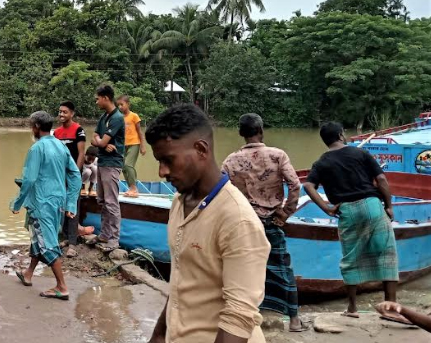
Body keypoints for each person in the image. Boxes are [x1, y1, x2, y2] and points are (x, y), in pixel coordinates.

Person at [146, 104, 270, 343]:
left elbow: (238, 320)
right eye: (159, 161)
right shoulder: (179, 203)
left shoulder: (237, 220)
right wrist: (159, 335)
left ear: (201, 150)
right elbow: (181, 281)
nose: (162, 171)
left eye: (168, 160)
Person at [303, 122, 404, 323]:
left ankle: (352, 308)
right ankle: (390, 307)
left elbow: (307, 185)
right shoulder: (361, 154)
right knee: (386, 254)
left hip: (347, 210)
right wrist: (389, 206)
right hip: (372, 205)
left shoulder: (321, 163)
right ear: (341, 135)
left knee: (350, 257)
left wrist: (327, 208)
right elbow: (382, 180)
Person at [222, 113, 308, 332]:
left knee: (246, 267)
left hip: (245, 222)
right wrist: (285, 213)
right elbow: (295, 185)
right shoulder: (278, 155)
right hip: (272, 220)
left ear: (241, 134)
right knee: (282, 266)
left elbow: (222, 192)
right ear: (261, 131)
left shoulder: (230, 161)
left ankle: (248, 317)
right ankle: (295, 319)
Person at [12, 111, 81, 300]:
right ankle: (28, 274)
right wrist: (71, 202)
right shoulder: (60, 145)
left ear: (35, 126)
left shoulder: (37, 148)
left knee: (48, 241)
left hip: (42, 202)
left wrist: (17, 202)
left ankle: (62, 286)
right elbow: (75, 175)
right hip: (57, 201)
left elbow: (30, 179)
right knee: (39, 236)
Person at [52, 101, 93, 257]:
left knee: (73, 206)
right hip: (59, 175)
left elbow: (81, 153)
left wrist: (75, 173)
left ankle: (73, 243)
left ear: (72, 114)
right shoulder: (56, 133)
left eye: (65, 112)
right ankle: (65, 237)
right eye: (60, 112)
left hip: (73, 173)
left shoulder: (78, 130)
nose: (62, 114)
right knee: (61, 205)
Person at [88, 85, 125, 252]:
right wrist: (101, 142)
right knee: (102, 200)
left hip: (112, 164)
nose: (96, 101)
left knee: (111, 202)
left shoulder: (117, 117)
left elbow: (100, 142)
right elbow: (94, 139)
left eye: (98, 98)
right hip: (102, 161)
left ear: (105, 98)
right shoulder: (104, 117)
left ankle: (114, 239)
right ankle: (104, 234)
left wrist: (101, 142)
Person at [116, 95, 146, 198]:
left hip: (134, 143)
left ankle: (134, 188)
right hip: (122, 145)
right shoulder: (118, 117)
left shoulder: (134, 116)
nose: (120, 107)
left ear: (128, 104)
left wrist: (142, 146)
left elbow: (139, 132)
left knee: (129, 165)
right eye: (118, 105)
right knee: (123, 168)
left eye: (122, 104)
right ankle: (131, 189)